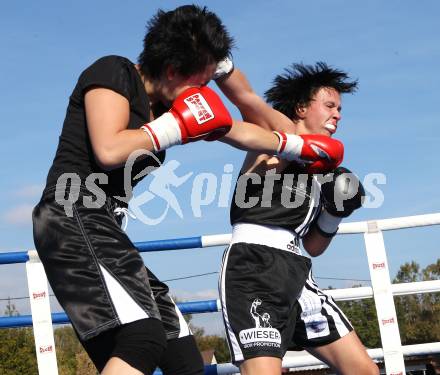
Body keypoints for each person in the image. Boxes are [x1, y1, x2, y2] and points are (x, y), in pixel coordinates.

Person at [31, 5, 341, 375]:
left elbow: (252, 123)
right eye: (201, 81)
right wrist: (176, 126)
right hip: (70, 215)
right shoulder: (114, 71)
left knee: (179, 351)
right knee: (142, 337)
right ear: (173, 70)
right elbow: (109, 149)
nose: (204, 91)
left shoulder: (172, 105)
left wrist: (298, 147)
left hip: (105, 228)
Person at [216, 62, 380, 375]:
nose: (338, 115)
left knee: (364, 371)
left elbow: (314, 246)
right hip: (254, 268)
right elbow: (246, 99)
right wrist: (220, 65)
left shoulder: (325, 171)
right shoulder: (277, 134)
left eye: (340, 109)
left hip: (298, 274)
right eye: (330, 105)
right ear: (302, 107)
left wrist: (334, 214)